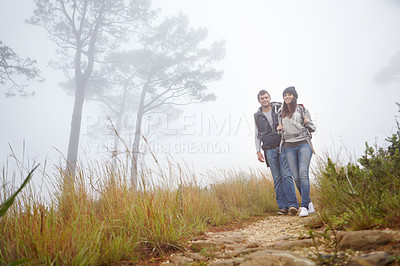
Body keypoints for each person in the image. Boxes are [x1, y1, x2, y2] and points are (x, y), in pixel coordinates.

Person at [255, 90, 299, 215]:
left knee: (286, 175)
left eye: (266, 97)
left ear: (269, 98)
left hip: (283, 145)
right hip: (268, 149)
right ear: (259, 100)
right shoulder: (257, 116)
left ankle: (292, 205)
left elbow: (290, 116)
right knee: (277, 178)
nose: (264, 100)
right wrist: (258, 151)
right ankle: (283, 207)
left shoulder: (278, 107)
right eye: (262, 98)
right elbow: (256, 135)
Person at [277, 86, 316, 217]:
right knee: (296, 177)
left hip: (304, 144)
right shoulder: (280, 112)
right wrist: (279, 128)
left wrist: (308, 122)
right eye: (285, 95)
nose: (287, 97)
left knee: (303, 173)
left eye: (289, 95)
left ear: (294, 96)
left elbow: (313, 128)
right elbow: (281, 131)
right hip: (288, 146)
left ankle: (304, 206)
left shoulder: (302, 109)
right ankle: (309, 202)